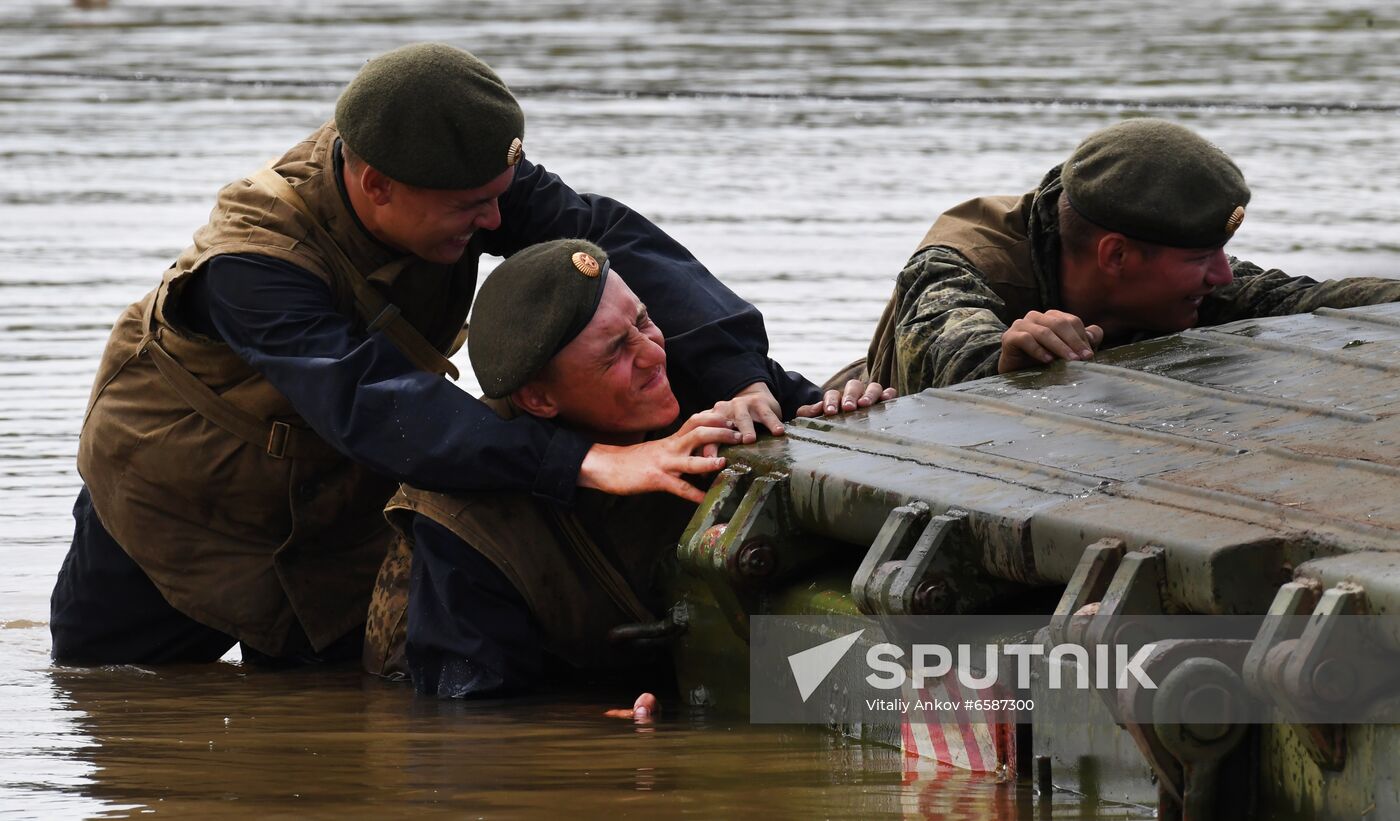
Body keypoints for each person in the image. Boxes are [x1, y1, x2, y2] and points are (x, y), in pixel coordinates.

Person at [49, 43, 826, 667]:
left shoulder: (459, 177)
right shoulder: (254, 262)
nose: (496, 219)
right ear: (377, 185)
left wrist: (741, 376)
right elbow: (371, 397)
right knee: (116, 708)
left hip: (332, 514)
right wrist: (585, 460)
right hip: (172, 517)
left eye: (501, 194)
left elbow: (608, 242)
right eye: (472, 208)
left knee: (318, 740)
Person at [362, 238, 895, 700]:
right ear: (539, 399)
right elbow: (475, 720)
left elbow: (812, 410)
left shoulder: (705, 373)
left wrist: (852, 425)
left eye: (642, 320)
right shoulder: (468, 522)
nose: (652, 354)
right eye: (615, 352)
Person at [860, 118, 1400, 392]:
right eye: (1200, 257)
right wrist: (1012, 362)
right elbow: (949, 348)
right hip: (858, 404)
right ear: (1115, 256)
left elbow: (1298, 298)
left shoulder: (1165, 260)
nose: (1221, 275)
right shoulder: (963, 259)